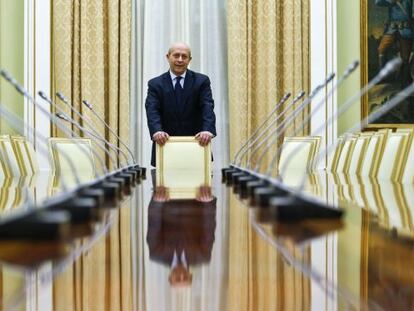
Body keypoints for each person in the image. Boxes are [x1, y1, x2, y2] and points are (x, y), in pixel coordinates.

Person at [145, 42, 217, 166]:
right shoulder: (155, 84)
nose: (180, 60)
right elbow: (152, 109)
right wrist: (156, 131)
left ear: (190, 60)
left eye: (184, 56)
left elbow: (207, 106)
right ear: (168, 57)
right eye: (176, 55)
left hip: (197, 146)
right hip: (165, 146)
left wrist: (207, 130)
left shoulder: (202, 81)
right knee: (161, 185)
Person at [376, 0, 414, 84]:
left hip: (406, 29)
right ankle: (383, 77)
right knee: (381, 49)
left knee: (405, 57)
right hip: (391, 29)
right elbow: (377, 2)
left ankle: (405, 80)